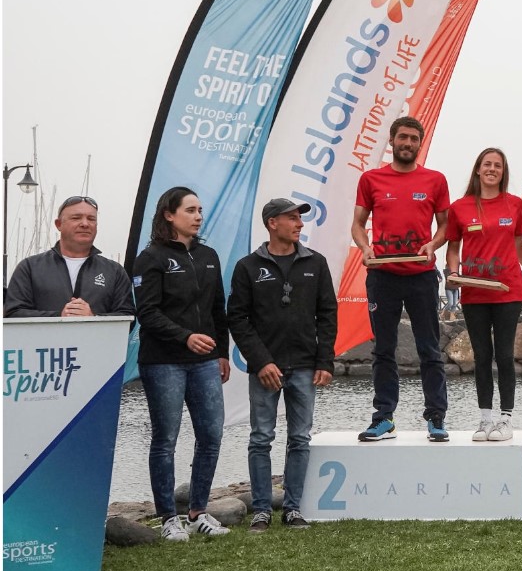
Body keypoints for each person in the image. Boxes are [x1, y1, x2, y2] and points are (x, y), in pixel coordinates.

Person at [228, 198, 337, 533]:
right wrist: (261, 362)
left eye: (299, 219)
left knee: (300, 438)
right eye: (292, 218)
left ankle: (292, 509)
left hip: (305, 366)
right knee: (261, 438)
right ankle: (261, 509)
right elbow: (237, 318)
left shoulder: (316, 263)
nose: (299, 224)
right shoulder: (248, 267)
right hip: (266, 369)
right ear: (272, 223)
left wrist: (325, 360)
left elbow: (328, 314)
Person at [132, 186, 231, 541]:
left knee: (211, 435)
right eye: (190, 210)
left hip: (205, 361)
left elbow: (218, 308)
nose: (198, 216)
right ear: (169, 215)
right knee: (165, 439)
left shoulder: (209, 255)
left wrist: (221, 351)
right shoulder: (151, 257)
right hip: (163, 362)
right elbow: (147, 313)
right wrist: (185, 336)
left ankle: (198, 511)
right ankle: (167, 517)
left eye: (200, 209)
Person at [352, 116, 451, 442]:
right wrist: (365, 247)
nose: (408, 144)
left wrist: (433, 244)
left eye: (413, 139)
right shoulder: (371, 179)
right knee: (383, 349)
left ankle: (436, 417)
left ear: (419, 144)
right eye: (403, 138)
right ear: (392, 141)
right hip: (382, 275)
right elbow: (357, 224)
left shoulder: (435, 180)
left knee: (429, 349)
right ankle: (383, 418)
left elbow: (446, 226)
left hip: (421, 276)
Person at [445, 148, 522, 441]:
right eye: (486, 164)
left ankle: (506, 419)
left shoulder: (514, 205)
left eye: (497, 166)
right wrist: (453, 272)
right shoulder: (460, 207)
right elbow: (453, 246)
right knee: (482, 355)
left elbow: (519, 245)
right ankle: (485, 419)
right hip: (474, 293)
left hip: (508, 292)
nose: (491, 169)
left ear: (503, 172)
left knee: (504, 354)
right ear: (478, 170)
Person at [4, 195, 133, 318]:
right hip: (46, 341)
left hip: (96, 341)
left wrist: (93, 317)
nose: (85, 224)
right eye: (76, 218)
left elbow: (128, 316)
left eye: (91, 219)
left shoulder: (114, 271)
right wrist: (59, 317)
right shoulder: (30, 268)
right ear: (58, 224)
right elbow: (13, 313)